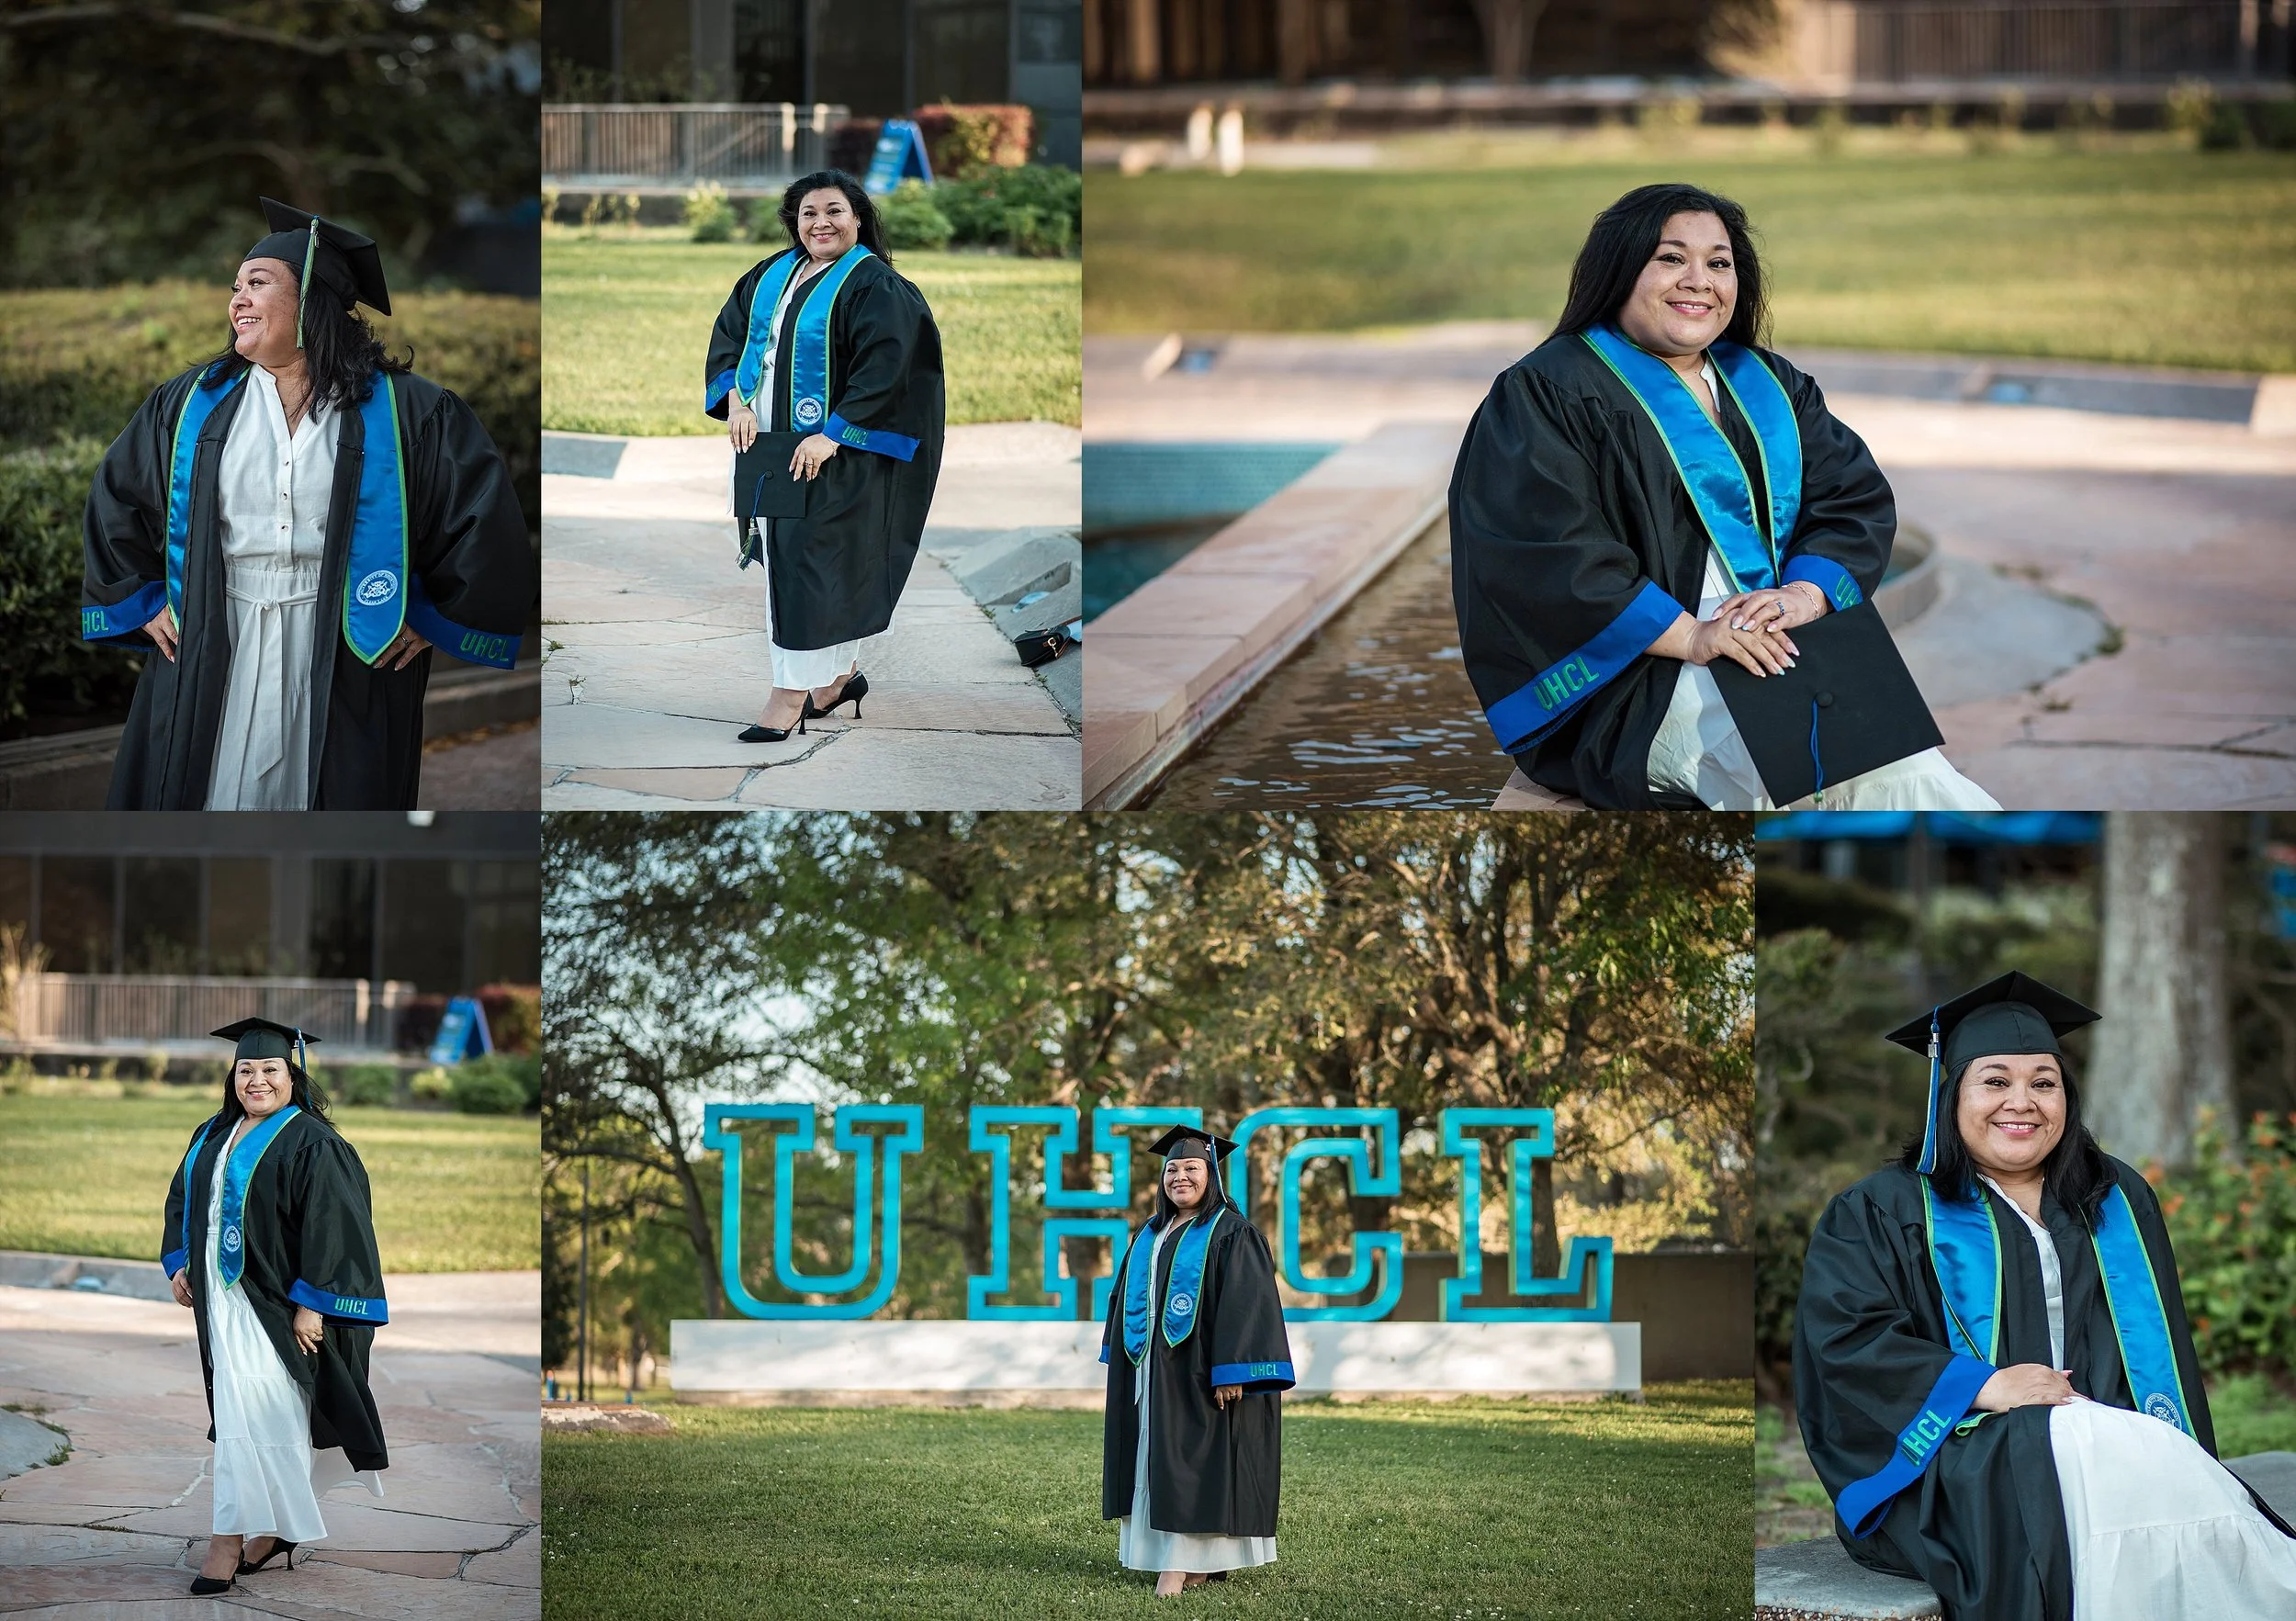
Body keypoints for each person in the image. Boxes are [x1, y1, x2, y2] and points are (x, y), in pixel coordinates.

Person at [1449, 182, 1999, 810]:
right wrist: (1692, 636)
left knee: (1904, 767)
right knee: (1804, 775)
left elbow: (1849, 498)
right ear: (1618, 269)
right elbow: (1542, 550)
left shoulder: (1769, 385)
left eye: (1718, 263)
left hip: (1779, 643)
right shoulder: (1547, 392)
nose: (1698, 281)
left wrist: (1803, 594)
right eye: (1670, 258)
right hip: (1636, 673)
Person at [1793, 972, 2296, 1621]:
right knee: (2074, 1446)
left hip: (2114, 1443)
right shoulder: (1881, 1209)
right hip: (1956, 1463)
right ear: (1952, 1096)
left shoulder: (2115, 1199)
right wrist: (1983, 1385)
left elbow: (2159, 1351)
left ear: (2067, 1096)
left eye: (2044, 1081)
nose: (2022, 1102)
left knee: (2156, 1464)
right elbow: (1845, 1342)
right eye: (1995, 1080)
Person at [80, 197, 533, 811]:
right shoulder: (191, 404)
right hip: (216, 632)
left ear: (311, 302)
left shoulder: (410, 412)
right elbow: (118, 494)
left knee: (329, 808)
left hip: (346, 645)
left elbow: (480, 514)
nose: (237, 299)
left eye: (257, 284)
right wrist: (142, 597)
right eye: (235, 286)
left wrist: (428, 617)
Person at [703, 169, 945, 744]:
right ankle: (837, 679)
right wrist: (737, 402)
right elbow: (730, 340)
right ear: (795, 222)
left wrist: (832, 435)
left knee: (808, 568)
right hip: (768, 447)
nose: (821, 223)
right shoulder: (769, 276)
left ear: (857, 218)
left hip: (836, 453)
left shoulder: (875, 286)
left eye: (834, 211)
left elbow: (887, 369)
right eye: (809, 213)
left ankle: (788, 696)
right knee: (809, 566)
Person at [162, 1018, 391, 1595]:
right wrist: (180, 1260)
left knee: (256, 1414)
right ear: (232, 1076)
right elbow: (185, 1200)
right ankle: (272, 1529)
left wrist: (315, 1303)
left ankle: (228, 1539)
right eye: (246, 1071)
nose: (257, 1081)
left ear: (293, 1075)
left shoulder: (313, 1142)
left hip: (275, 1302)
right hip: (220, 1297)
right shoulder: (212, 1133)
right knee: (244, 1412)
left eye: (269, 1070)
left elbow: (338, 1227)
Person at [1098, 1127, 1295, 1597]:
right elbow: (1124, 1296)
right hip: (1152, 1369)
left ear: (1213, 1176)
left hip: (1201, 1371)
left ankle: (1180, 1564)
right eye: (1172, 1169)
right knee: (1159, 1458)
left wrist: (1233, 1368)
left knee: (1194, 1461)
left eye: (1191, 1168)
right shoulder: (1150, 1232)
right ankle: (1184, 1559)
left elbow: (1248, 1304)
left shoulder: (1232, 1231)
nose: (1180, 1177)